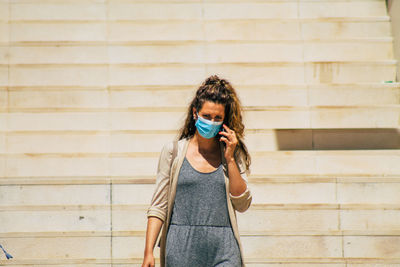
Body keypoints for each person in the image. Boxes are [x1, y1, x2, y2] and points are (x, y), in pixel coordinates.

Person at [142, 75, 252, 267]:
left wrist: (230, 159)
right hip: (181, 247)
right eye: (207, 116)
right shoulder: (173, 152)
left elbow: (242, 203)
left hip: (223, 247)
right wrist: (148, 252)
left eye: (218, 118)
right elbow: (159, 205)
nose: (211, 122)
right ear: (195, 113)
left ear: (225, 120)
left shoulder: (232, 152)